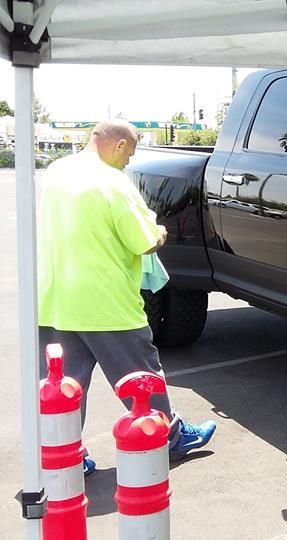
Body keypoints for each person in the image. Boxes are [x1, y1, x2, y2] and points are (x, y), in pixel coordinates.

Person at [37, 119, 216, 475]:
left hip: (55, 299)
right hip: (107, 302)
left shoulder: (56, 172)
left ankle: (65, 457)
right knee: (141, 377)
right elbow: (144, 240)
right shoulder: (113, 182)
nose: (129, 161)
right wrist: (159, 231)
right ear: (119, 145)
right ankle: (169, 439)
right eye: (130, 154)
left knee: (64, 388)